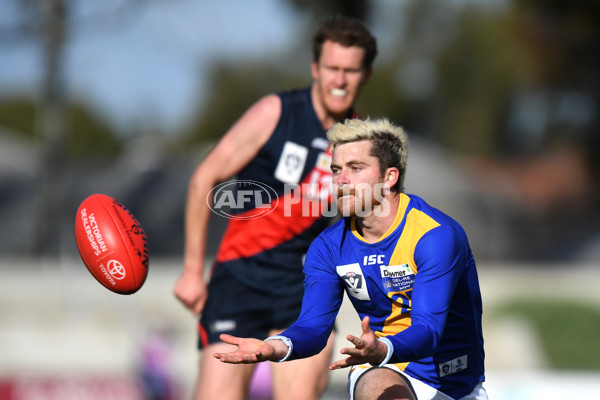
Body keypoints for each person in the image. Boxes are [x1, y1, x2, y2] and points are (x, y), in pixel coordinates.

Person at [173, 16, 378, 400]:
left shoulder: (363, 140)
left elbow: (373, 223)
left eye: (351, 71)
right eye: (333, 68)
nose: (340, 80)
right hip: (238, 279)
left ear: (365, 75)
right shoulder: (275, 112)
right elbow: (204, 177)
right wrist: (190, 271)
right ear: (315, 69)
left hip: (303, 289)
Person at [214, 118, 488, 400]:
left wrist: (382, 348)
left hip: (458, 385)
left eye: (355, 169)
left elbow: (428, 329)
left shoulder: (435, 236)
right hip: (385, 368)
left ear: (389, 177)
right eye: (336, 170)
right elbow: (313, 327)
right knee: (375, 382)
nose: (340, 180)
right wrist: (274, 347)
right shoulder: (327, 247)